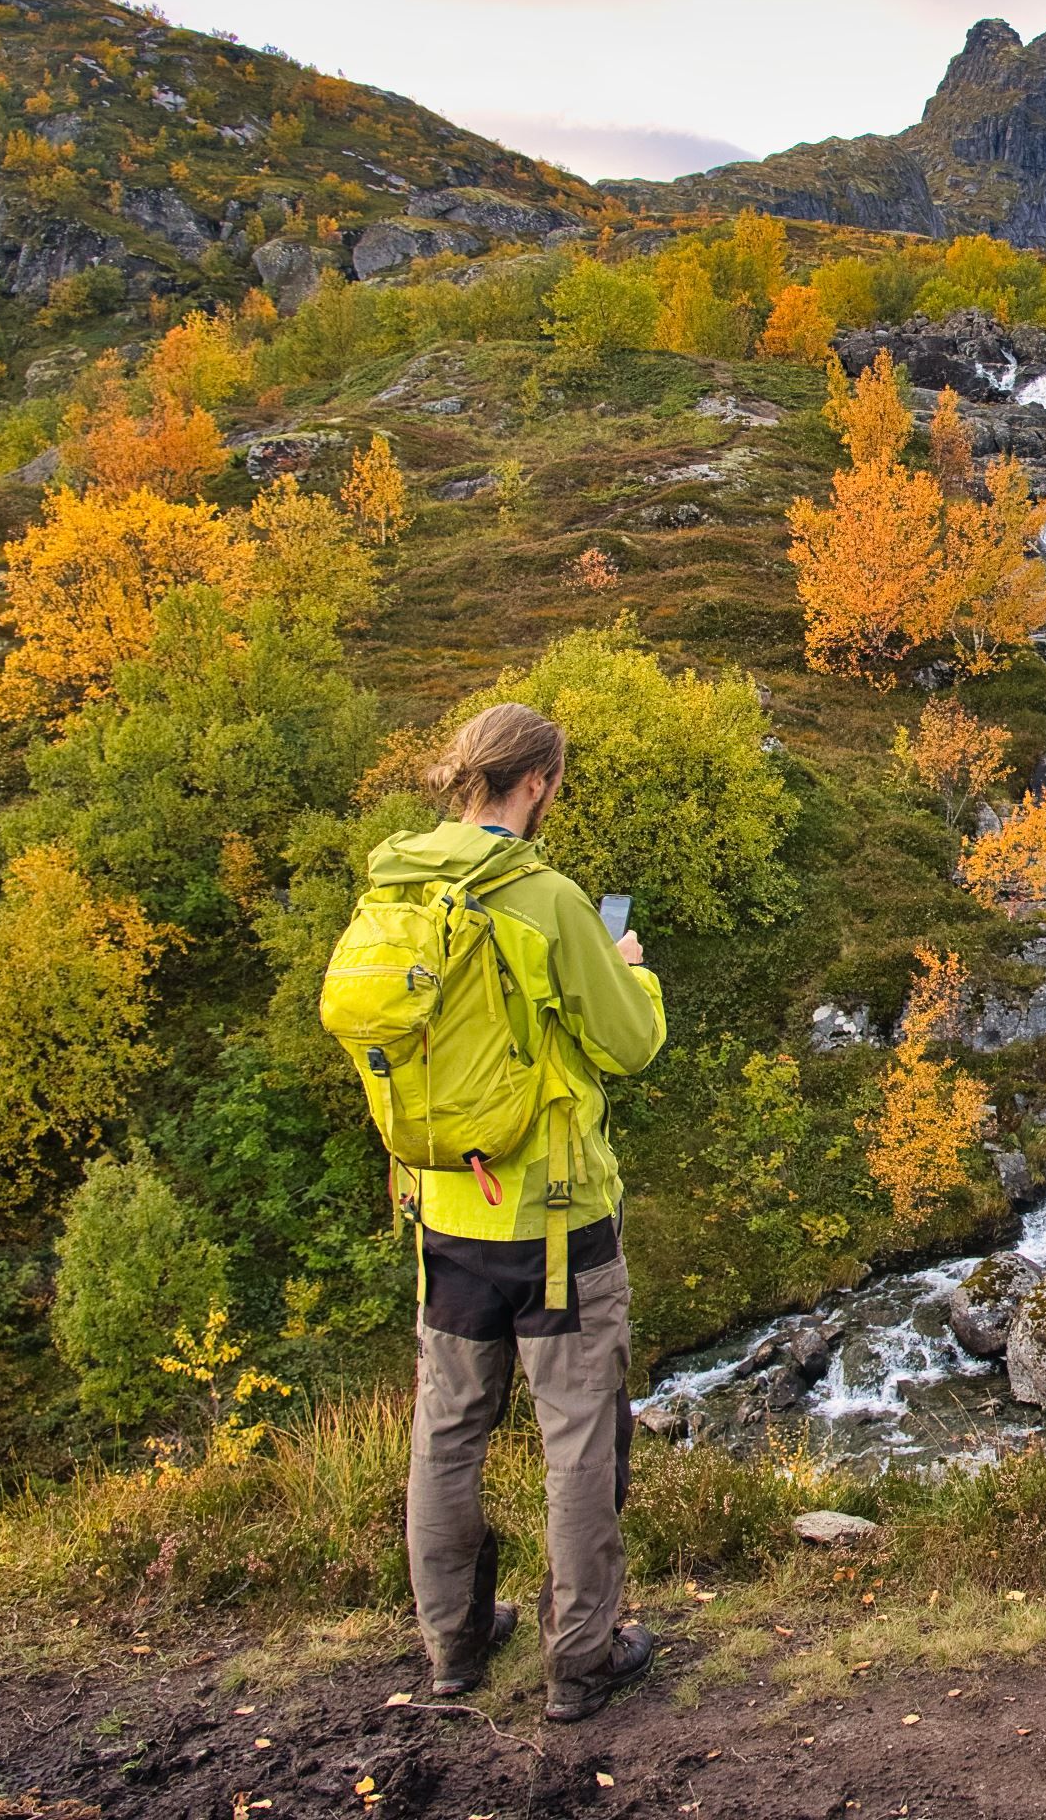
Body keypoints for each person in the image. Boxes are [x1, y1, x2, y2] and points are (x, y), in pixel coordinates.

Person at [368, 703, 666, 1723]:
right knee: (577, 1436)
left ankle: (452, 1643)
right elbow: (627, 1043)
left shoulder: (397, 883)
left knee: (447, 1430)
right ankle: (581, 1660)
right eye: (556, 783)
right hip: (555, 1217)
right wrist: (631, 972)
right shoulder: (545, 898)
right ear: (536, 782)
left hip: (443, 1207)